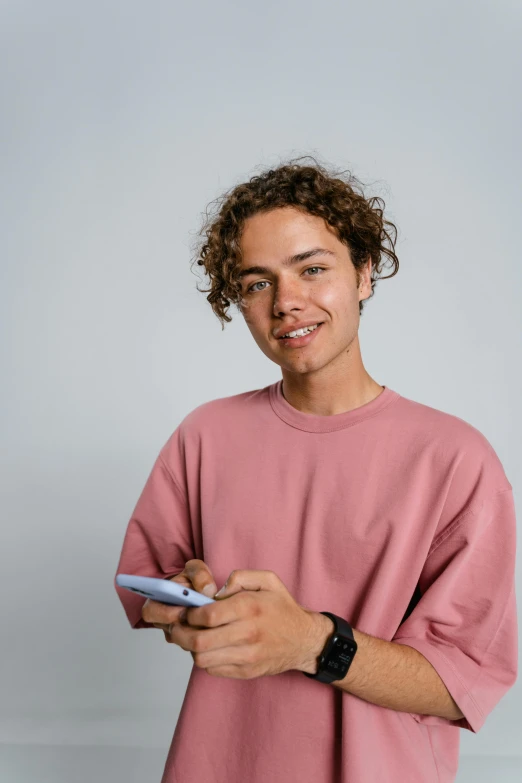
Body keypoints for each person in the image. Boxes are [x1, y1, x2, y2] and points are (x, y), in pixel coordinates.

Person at [114, 155, 517, 783]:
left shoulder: (455, 459)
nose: (287, 302)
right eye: (256, 283)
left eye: (312, 269)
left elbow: (460, 682)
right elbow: (152, 589)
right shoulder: (205, 435)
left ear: (363, 273)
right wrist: (189, 605)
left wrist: (309, 642)